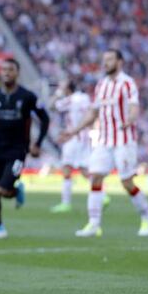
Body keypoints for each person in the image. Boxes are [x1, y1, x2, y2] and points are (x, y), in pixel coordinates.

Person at [60, 50, 148, 237]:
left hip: (124, 140)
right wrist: (74, 130)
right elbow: (93, 113)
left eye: (109, 59)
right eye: (103, 60)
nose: (105, 63)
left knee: (126, 182)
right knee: (95, 177)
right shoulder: (101, 85)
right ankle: (94, 223)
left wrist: (130, 119)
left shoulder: (127, 83)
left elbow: (134, 107)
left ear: (119, 62)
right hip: (104, 140)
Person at [0, 58, 50, 239]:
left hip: (17, 150)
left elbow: (45, 118)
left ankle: (15, 190)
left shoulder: (28, 96)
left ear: (17, 73)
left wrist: (37, 143)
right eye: (4, 69)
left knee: (3, 190)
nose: (7, 72)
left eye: (11, 70)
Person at [48, 79, 92, 213]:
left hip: (73, 137)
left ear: (67, 88)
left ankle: (66, 203)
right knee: (84, 169)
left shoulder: (71, 99)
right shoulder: (84, 97)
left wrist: (59, 92)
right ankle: (101, 194)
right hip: (85, 136)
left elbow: (51, 105)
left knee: (66, 168)